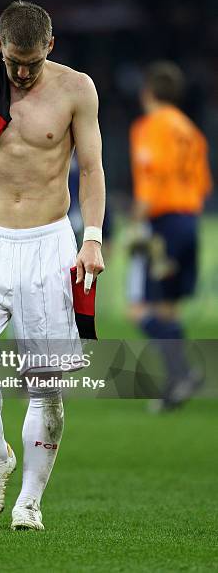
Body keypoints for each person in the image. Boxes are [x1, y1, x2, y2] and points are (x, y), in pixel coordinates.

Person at [0, 0, 105, 530]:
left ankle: (29, 501)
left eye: (32, 62)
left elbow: (93, 168)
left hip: (48, 242)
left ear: (50, 47)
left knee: (45, 381)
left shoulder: (77, 90)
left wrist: (93, 238)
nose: (23, 72)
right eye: (14, 62)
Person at [127, 61, 213, 411]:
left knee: (139, 307)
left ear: (147, 91)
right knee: (168, 309)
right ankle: (176, 384)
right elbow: (203, 183)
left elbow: (152, 173)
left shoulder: (151, 126)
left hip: (162, 225)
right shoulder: (190, 129)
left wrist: (137, 220)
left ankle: (184, 372)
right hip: (190, 221)